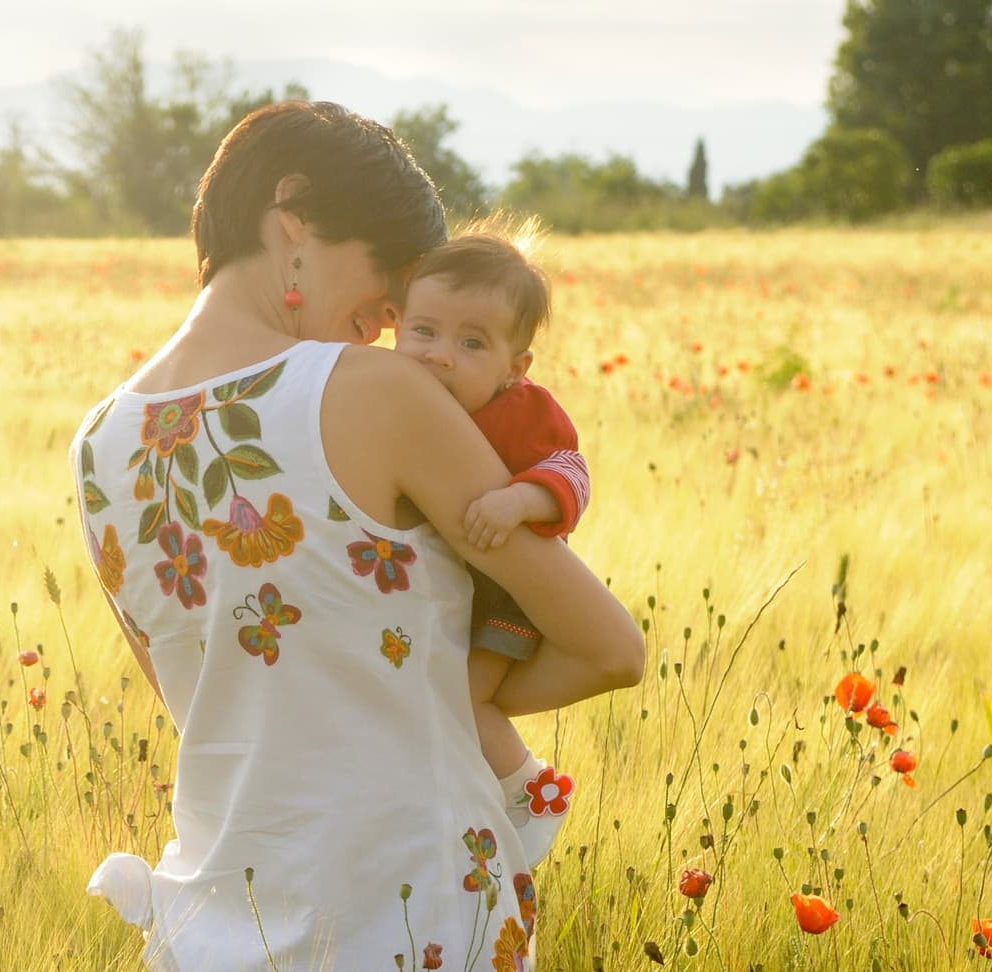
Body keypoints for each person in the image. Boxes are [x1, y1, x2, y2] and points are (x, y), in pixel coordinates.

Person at [70, 101, 643, 971]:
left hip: (214, 933)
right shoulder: (375, 391)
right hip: (411, 918)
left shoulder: (98, 443)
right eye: (388, 275)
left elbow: (224, 708)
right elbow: (610, 650)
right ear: (292, 219)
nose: (387, 315)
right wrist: (447, 698)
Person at [389, 229, 590, 868]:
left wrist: (522, 500)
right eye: (423, 331)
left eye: (472, 343)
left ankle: (532, 791)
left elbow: (573, 473)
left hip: (504, 598)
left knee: (461, 701)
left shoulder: (524, 413)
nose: (439, 356)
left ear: (514, 368)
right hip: (441, 592)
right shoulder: (385, 398)